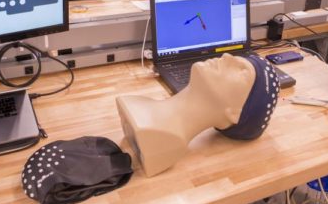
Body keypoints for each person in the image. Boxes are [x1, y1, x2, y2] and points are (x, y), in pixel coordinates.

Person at [116, 53, 279, 177]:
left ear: (235, 112)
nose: (227, 56)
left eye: (242, 72)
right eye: (236, 58)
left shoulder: (164, 141)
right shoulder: (138, 105)